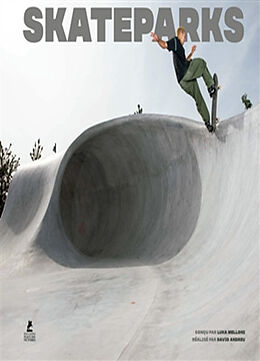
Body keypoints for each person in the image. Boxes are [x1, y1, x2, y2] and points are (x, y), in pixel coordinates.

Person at [151, 26, 216, 132]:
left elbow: (185, 61)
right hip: (187, 72)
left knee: (198, 97)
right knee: (201, 63)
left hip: (182, 81)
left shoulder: (179, 49)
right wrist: (158, 39)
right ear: (180, 34)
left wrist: (191, 53)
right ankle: (211, 87)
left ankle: (207, 122)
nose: (185, 40)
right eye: (184, 37)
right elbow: (165, 45)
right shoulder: (176, 41)